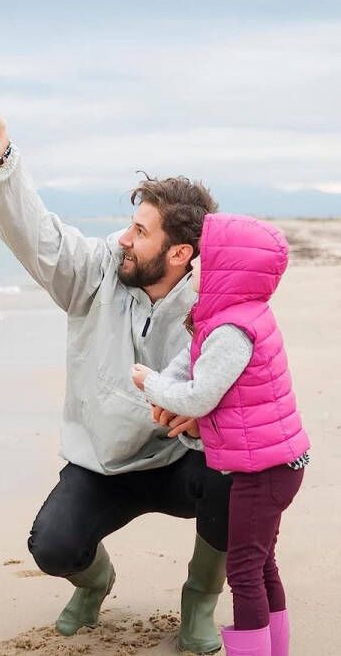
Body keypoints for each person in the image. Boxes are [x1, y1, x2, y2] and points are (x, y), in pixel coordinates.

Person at [0, 86, 230, 654]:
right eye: (130, 226)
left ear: (180, 253)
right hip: (105, 460)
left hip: (180, 460)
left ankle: (200, 599)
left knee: (236, 479)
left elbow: (239, 384)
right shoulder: (97, 272)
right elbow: (38, 238)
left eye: (141, 232)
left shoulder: (213, 303)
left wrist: (203, 420)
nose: (125, 240)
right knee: (52, 547)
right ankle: (96, 581)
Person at [132, 213, 309, 656]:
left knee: (245, 568)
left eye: (203, 262)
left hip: (263, 470)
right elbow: (189, 361)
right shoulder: (229, 317)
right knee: (263, 561)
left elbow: (199, 397)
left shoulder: (232, 330)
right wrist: (164, 379)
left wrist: (150, 384)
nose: (192, 268)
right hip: (278, 464)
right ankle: (275, 648)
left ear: (229, 272)